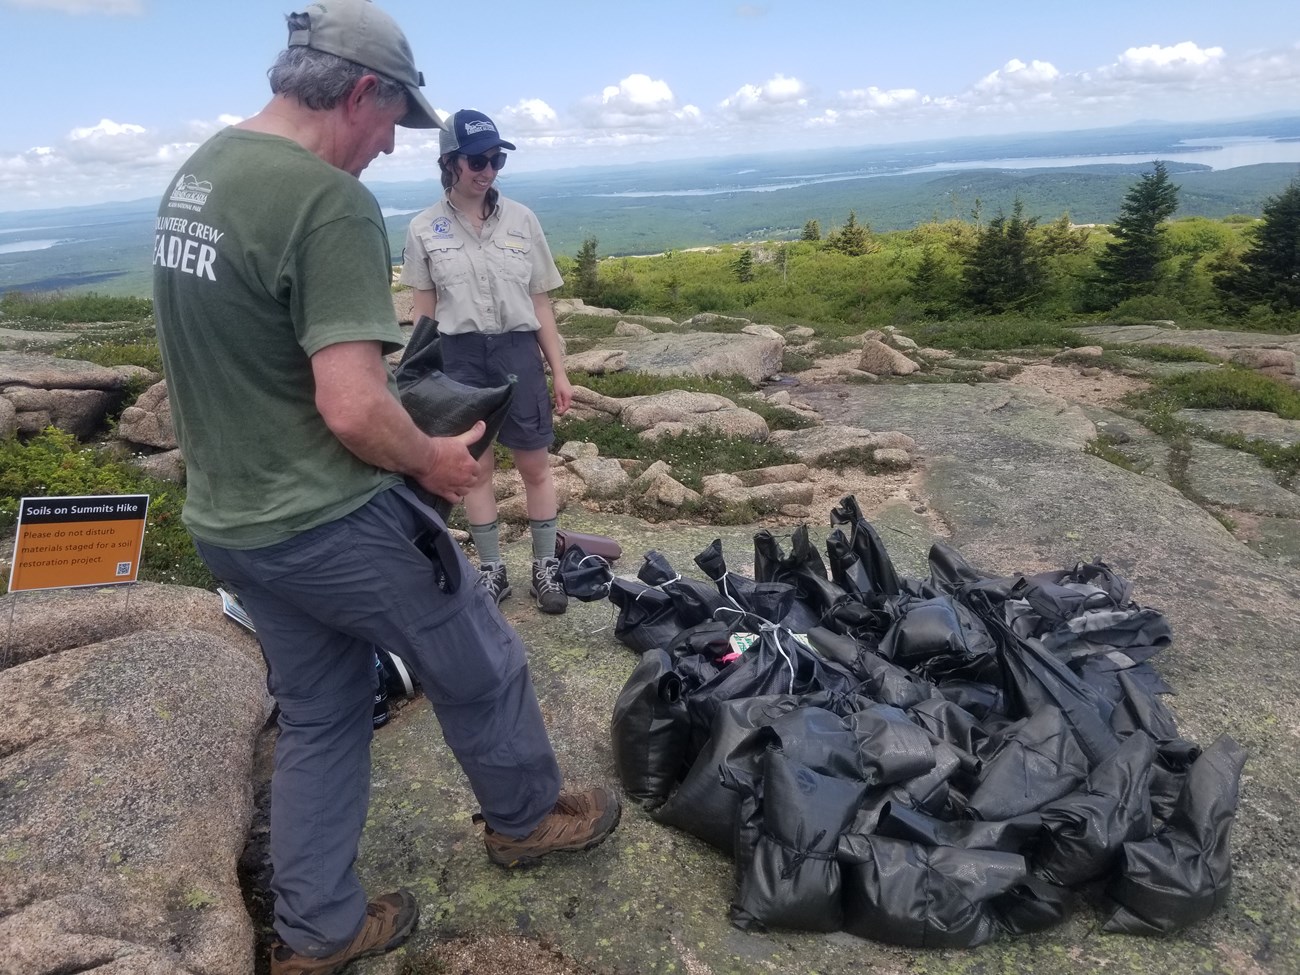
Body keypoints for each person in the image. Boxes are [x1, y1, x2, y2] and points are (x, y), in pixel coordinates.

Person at [150, 4, 619, 973]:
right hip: (326, 517)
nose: (384, 149)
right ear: (361, 92)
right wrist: (435, 463)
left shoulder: (200, 174)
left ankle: (319, 930)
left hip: (231, 523)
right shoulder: (323, 199)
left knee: (322, 712)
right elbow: (355, 407)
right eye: (391, 123)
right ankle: (525, 821)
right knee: (481, 660)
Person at [399, 110, 572, 615]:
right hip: (458, 355)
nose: (489, 170)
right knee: (475, 469)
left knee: (535, 463)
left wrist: (558, 369)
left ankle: (545, 567)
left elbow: (540, 301)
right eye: (478, 159)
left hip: (518, 350)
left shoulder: (522, 220)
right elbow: (423, 313)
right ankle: (492, 568)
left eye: (496, 158)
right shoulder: (423, 228)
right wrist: (418, 377)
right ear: (450, 162)